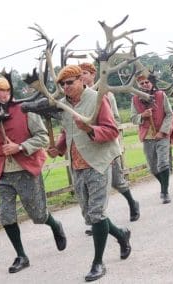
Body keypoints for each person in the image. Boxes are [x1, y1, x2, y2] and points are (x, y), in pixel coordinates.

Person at [0, 77, 66, 274]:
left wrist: (20, 147)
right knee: (6, 217)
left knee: (38, 215)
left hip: (26, 169)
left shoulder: (25, 109)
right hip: (4, 174)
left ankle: (55, 225)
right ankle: (21, 255)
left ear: (8, 92)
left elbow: (41, 137)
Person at [48, 65, 131, 282]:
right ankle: (121, 235)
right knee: (90, 216)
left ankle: (98, 263)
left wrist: (90, 129)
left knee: (96, 214)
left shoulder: (96, 99)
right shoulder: (63, 105)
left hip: (99, 162)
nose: (66, 87)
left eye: (70, 82)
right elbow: (67, 131)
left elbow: (112, 130)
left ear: (81, 80)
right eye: (62, 84)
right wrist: (57, 147)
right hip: (76, 165)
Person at [79, 62, 140, 224]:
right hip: (87, 149)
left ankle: (132, 203)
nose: (82, 76)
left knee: (117, 181)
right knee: (91, 186)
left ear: (93, 75)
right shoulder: (77, 99)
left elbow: (116, 120)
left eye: (85, 73)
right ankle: (96, 221)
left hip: (107, 146)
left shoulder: (107, 94)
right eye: (79, 74)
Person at [130, 73, 173, 204]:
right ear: (138, 85)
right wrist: (142, 115)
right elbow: (133, 118)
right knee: (153, 168)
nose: (145, 85)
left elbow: (169, 114)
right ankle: (164, 185)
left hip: (161, 135)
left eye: (147, 82)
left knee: (163, 163)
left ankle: (165, 192)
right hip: (147, 137)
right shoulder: (135, 99)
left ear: (151, 83)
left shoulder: (160, 95)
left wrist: (163, 131)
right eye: (142, 83)